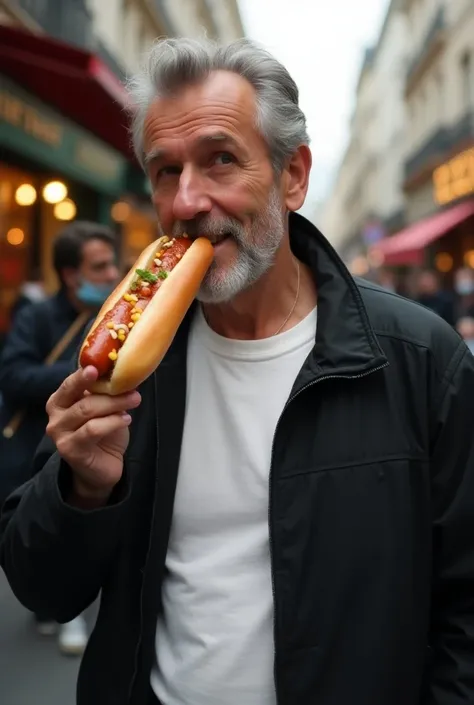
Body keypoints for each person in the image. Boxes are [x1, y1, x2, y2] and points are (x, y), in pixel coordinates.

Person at [1, 38, 474, 705]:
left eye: (220, 159)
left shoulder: (422, 358)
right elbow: (41, 585)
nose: (188, 200)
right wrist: (81, 489)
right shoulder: (123, 359)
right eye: (165, 171)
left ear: (293, 176)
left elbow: (464, 612)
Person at [0, 220, 119, 655]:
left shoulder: (115, 310)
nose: (112, 275)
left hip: (89, 446)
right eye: (101, 266)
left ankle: (72, 614)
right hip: (31, 445)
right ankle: (46, 605)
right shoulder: (36, 316)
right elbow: (13, 376)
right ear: (72, 275)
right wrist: (84, 371)